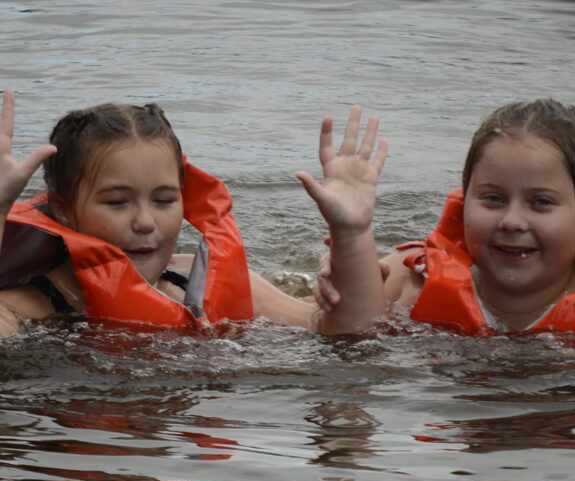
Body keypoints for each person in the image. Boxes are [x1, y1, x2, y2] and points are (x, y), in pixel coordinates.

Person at [0, 90, 387, 338]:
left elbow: (348, 334)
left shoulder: (199, 281)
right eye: (117, 202)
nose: (145, 222)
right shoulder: (35, 307)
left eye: (164, 200)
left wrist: (352, 234)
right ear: (65, 211)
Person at [315, 98, 575, 336]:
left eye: (541, 202)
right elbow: (351, 342)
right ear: (465, 202)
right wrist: (351, 238)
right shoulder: (413, 278)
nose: (512, 221)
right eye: (493, 198)